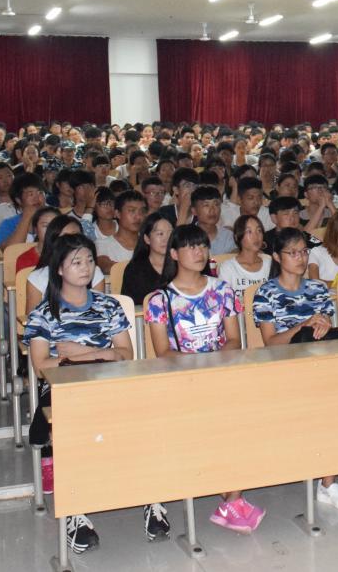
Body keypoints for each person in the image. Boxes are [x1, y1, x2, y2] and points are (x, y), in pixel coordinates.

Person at [23, 233, 154, 552]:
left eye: (90, 261)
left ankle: (153, 499)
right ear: (59, 269)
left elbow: (125, 355)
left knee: (149, 412)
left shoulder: (109, 305)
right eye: (76, 262)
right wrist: (101, 354)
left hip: (109, 382)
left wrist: (80, 353)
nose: (86, 268)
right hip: (64, 388)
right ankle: (75, 511)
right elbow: (42, 367)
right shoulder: (44, 313)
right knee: (72, 422)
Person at [143, 224, 263, 532]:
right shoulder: (159, 300)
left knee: (240, 421)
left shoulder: (222, 290)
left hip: (220, 374)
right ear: (174, 254)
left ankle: (232, 499)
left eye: (202, 246)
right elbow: (163, 352)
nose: (199, 252)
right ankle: (233, 499)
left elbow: (234, 340)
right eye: (191, 247)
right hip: (181, 381)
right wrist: (198, 367)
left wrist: (214, 365)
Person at [252, 228, 338, 510]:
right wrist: (303, 325)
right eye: (292, 253)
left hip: (321, 364)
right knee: (328, 399)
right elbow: (270, 344)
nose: (300, 258)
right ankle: (330, 482)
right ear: (277, 257)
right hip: (285, 368)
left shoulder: (318, 289)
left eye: (303, 252)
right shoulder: (265, 293)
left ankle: (333, 479)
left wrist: (319, 323)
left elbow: (327, 331)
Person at [119, 211, 173, 305]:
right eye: (160, 234)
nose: (166, 239)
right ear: (147, 239)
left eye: (170, 233)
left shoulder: (182, 265)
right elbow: (130, 306)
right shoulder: (135, 270)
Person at [217, 215, 273, 301]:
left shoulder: (269, 262)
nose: (256, 236)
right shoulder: (228, 268)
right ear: (237, 237)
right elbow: (224, 301)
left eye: (259, 230)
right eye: (249, 231)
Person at [95, 189, 148, 276]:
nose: (138, 217)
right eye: (132, 211)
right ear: (117, 213)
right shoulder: (102, 244)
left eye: (142, 211)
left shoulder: (150, 243)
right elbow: (107, 267)